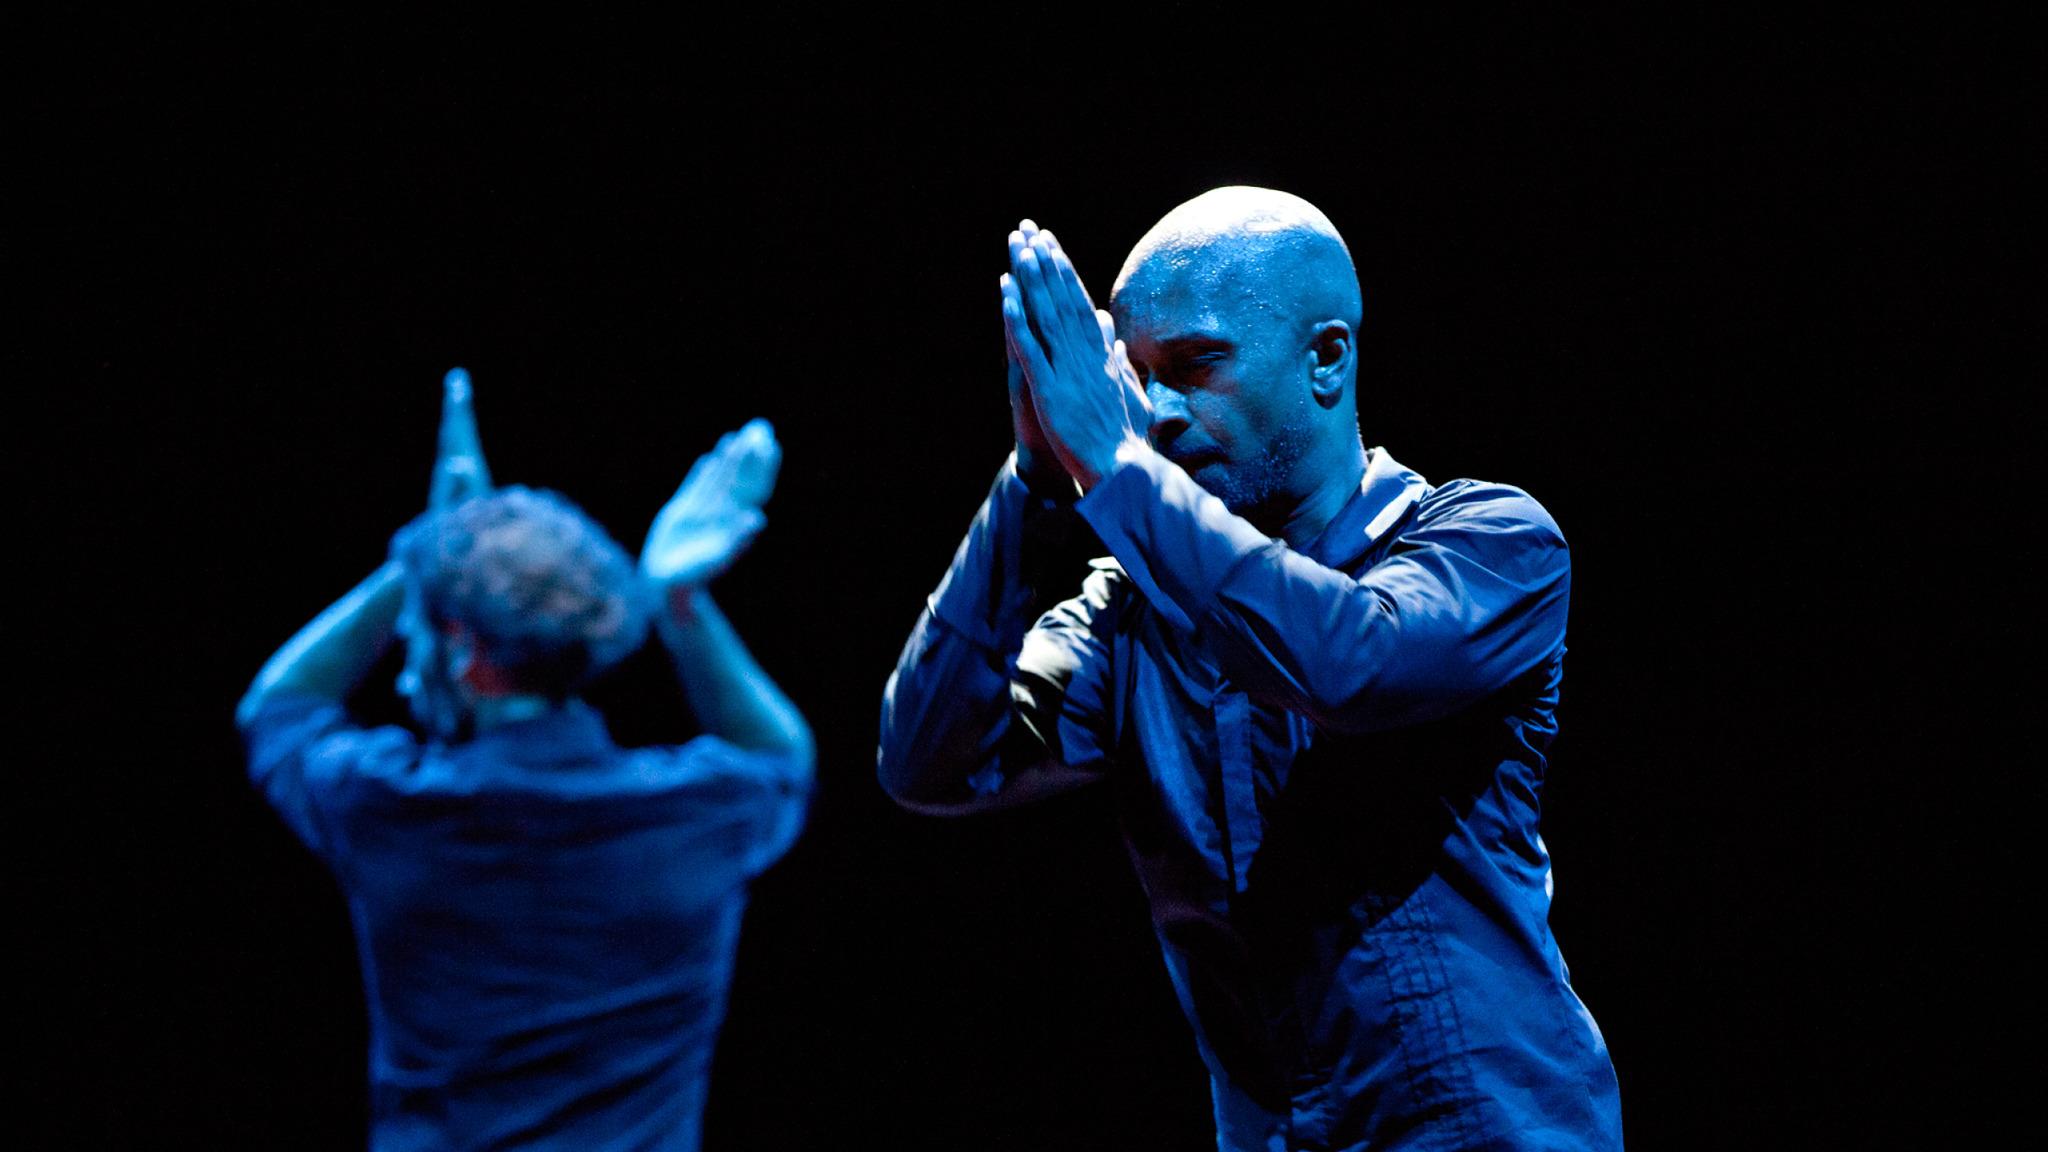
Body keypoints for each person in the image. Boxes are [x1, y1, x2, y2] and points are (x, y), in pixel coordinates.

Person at [879, 188, 1623, 1150]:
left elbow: (1349, 661)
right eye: (1134, 379)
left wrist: (1113, 466)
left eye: (1194, 366)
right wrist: (1035, 481)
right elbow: (931, 762)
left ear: (1326, 360)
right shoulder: (1129, 616)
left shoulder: (1490, 543)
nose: (1156, 413)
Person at [238, 369, 813, 1151]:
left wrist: (419, 554)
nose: (406, 671)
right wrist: (680, 606)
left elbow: (282, 705)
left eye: (418, 637)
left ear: (467, 652)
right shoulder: (699, 813)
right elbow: (779, 753)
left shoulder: (391, 808)